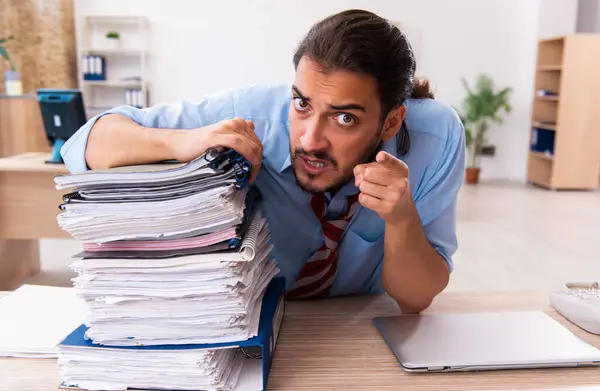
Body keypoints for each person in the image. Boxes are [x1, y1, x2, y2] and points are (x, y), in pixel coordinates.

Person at [61, 9, 465, 312]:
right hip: (246, 321)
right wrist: (186, 140)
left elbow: (414, 299)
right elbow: (85, 145)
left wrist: (401, 218)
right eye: (302, 104)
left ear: (391, 120)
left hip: (358, 328)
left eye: (345, 118)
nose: (310, 140)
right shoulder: (249, 114)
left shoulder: (435, 140)